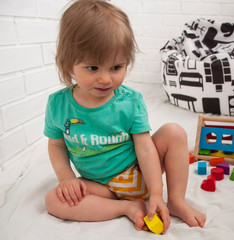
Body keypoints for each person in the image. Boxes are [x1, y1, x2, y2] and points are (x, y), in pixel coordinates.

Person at [44, 0, 206, 234]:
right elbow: (57, 145)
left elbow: (147, 149)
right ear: (69, 63)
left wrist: (157, 194)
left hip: (139, 171)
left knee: (174, 132)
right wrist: (66, 178)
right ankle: (126, 208)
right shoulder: (58, 105)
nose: (106, 79)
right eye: (93, 68)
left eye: (116, 67)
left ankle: (177, 201)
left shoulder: (130, 101)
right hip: (100, 186)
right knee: (52, 200)